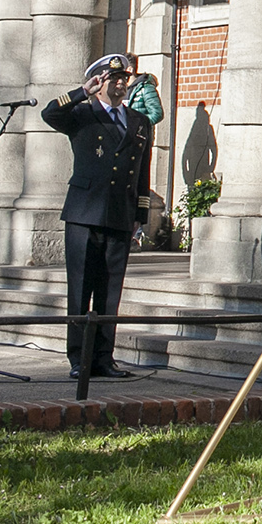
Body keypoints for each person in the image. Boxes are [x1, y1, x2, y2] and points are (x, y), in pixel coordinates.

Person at [41, 53, 154, 379]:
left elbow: (142, 172)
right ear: (99, 81)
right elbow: (50, 113)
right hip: (84, 213)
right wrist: (82, 91)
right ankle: (79, 359)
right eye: (112, 79)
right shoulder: (82, 114)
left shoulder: (139, 121)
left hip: (119, 214)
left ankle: (104, 357)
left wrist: (140, 215)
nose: (120, 83)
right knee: (80, 289)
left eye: (124, 79)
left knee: (109, 292)